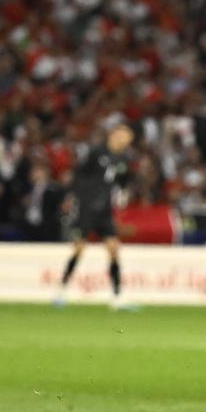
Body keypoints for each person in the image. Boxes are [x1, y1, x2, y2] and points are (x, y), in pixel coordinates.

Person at [54, 123, 135, 311]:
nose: (125, 140)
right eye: (123, 136)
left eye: (128, 138)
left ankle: (117, 297)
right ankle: (62, 291)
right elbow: (78, 174)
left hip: (105, 209)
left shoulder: (123, 159)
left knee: (114, 249)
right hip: (87, 207)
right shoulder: (96, 152)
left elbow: (122, 181)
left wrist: (123, 193)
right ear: (113, 135)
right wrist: (74, 197)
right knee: (79, 248)